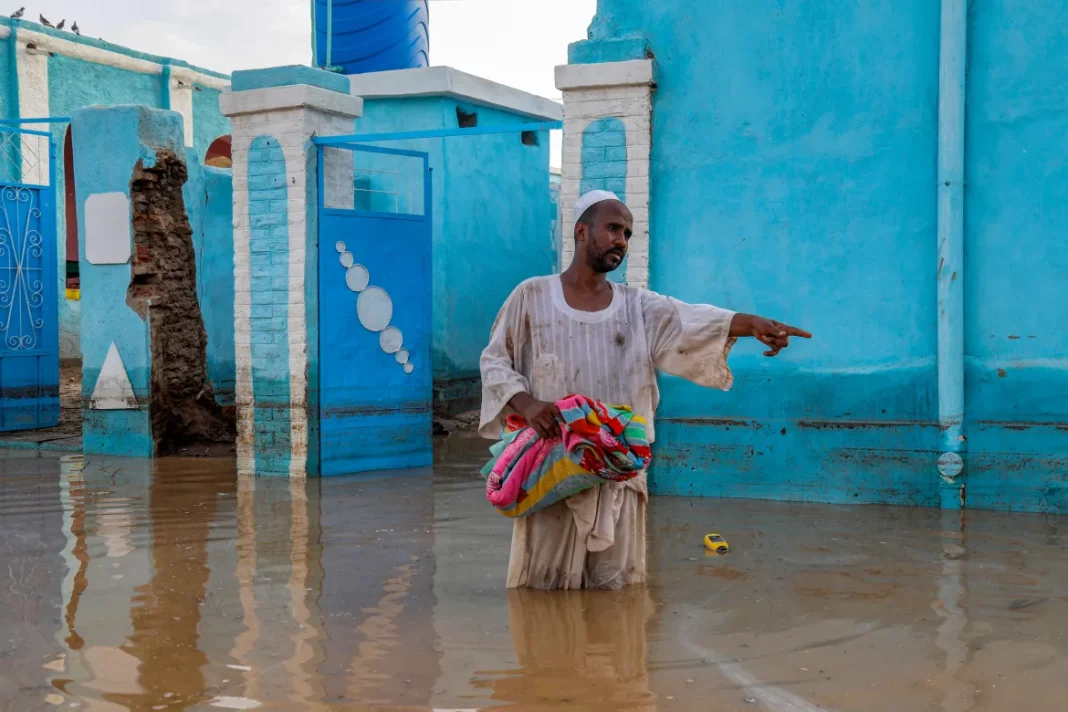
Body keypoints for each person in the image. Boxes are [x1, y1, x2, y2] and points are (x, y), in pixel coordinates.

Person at [479, 190, 810, 590]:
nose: (622, 240)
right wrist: (528, 404)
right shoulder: (531, 295)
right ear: (582, 231)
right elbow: (495, 360)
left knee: (615, 599)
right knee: (541, 591)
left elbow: (690, 320)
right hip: (551, 474)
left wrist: (753, 322)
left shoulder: (638, 306)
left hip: (619, 474)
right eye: (614, 229)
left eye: (629, 234)